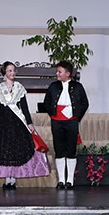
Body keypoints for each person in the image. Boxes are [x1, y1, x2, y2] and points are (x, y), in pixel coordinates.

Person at [0, 62, 50, 189]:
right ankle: (7, 178)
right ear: (4, 73)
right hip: (2, 121)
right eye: (10, 70)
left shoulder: (19, 87)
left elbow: (24, 107)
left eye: (14, 70)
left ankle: (13, 179)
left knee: (15, 149)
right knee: (4, 150)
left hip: (17, 122)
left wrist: (29, 122)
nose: (12, 73)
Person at [43, 60, 89, 189]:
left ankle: (70, 180)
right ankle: (61, 180)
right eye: (57, 71)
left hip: (72, 121)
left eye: (60, 72)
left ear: (68, 73)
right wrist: (53, 113)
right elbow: (46, 102)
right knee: (59, 149)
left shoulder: (78, 87)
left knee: (71, 149)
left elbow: (85, 103)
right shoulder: (53, 86)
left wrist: (76, 116)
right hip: (56, 121)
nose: (57, 74)